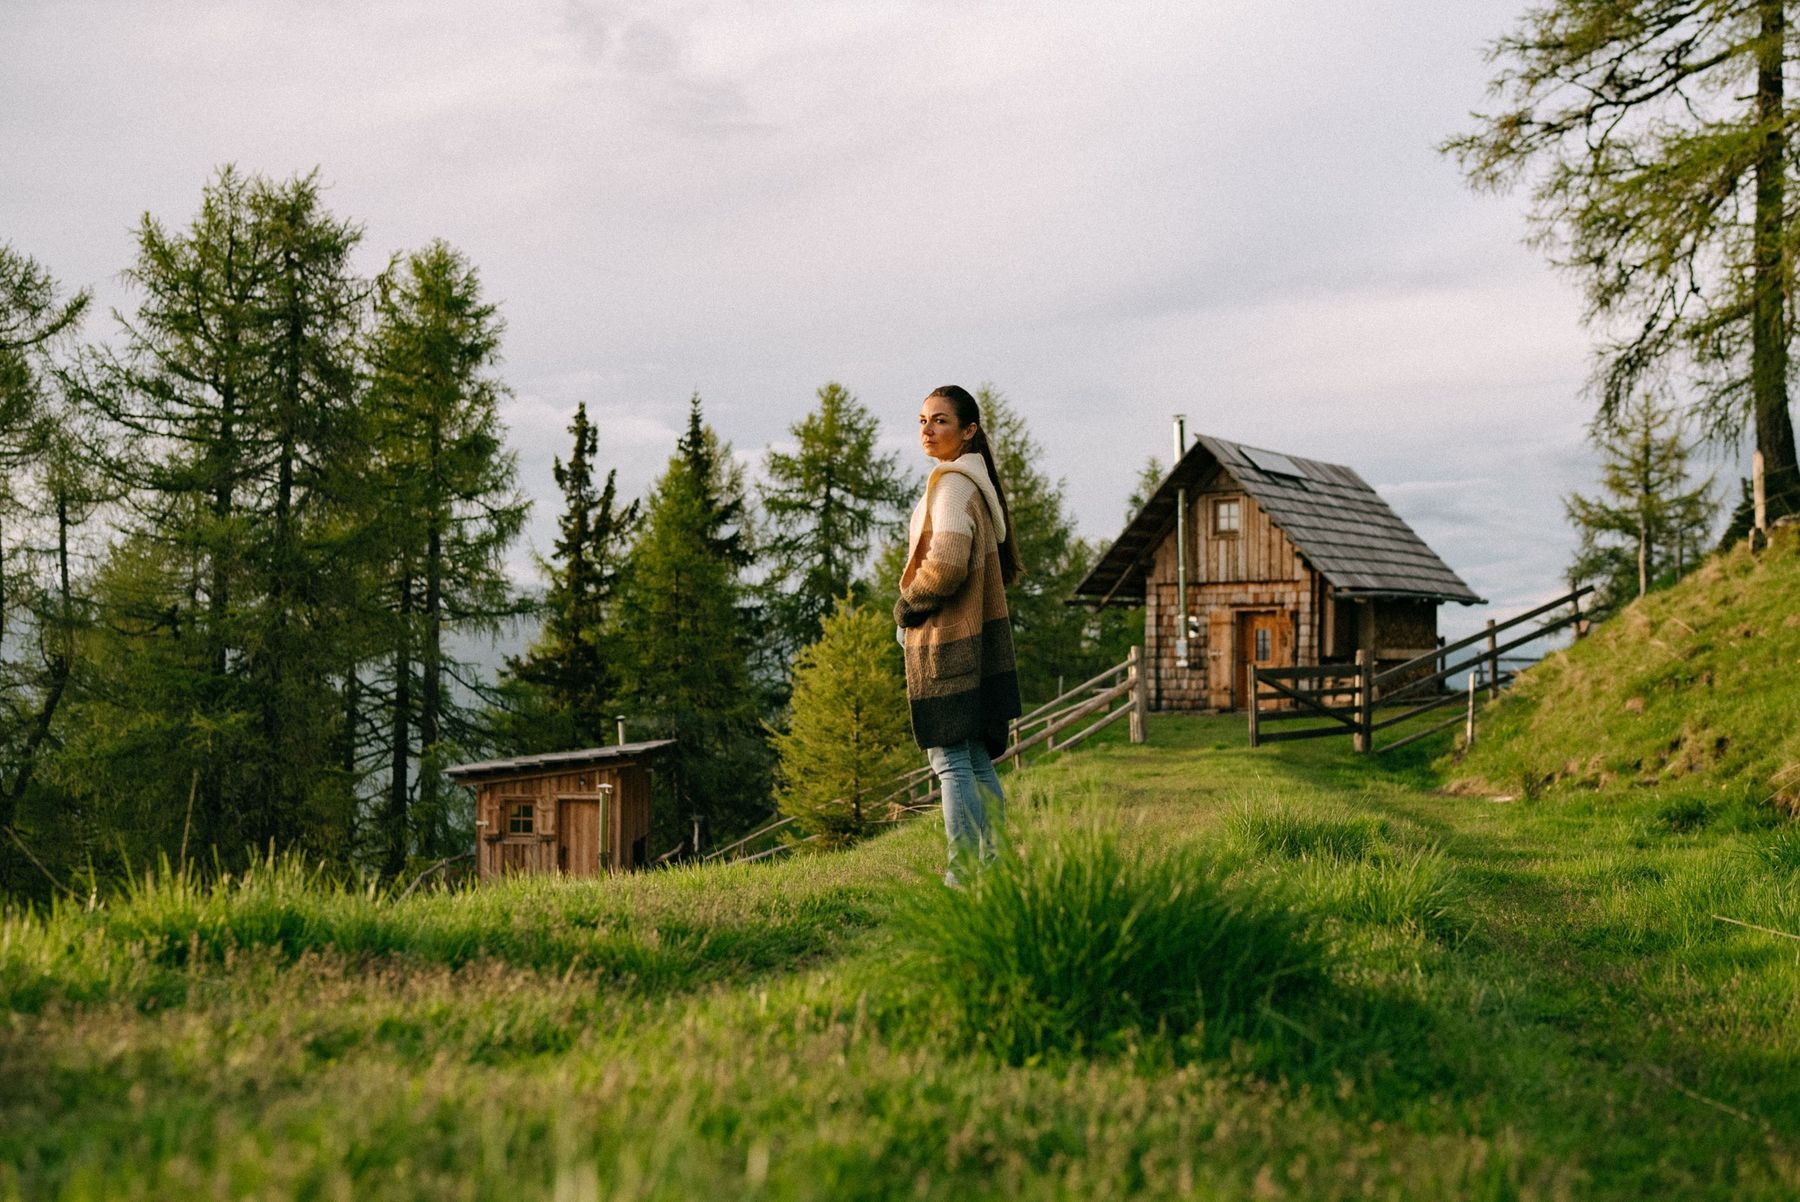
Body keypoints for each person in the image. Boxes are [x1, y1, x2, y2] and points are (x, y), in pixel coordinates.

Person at [894, 384, 1024, 886]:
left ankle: (962, 872)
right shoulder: (972, 483)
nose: (927, 429)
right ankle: (997, 864)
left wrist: (907, 606)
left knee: (950, 760)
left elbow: (946, 563)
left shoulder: (952, 486)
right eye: (923, 420)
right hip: (974, 642)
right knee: (970, 756)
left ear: (968, 431)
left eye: (940, 420)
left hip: (948, 643)